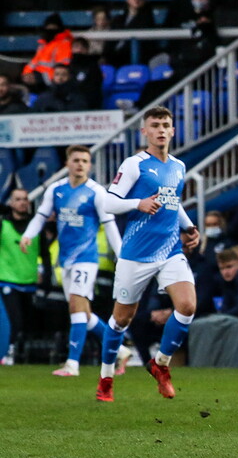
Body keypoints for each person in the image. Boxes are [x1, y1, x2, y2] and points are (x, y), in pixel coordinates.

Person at [96, 106, 200, 402]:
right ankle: (106, 378)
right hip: (136, 254)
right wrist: (137, 203)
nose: (161, 130)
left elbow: (172, 201)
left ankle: (161, 365)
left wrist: (190, 226)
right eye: (155, 125)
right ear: (145, 131)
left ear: (173, 130)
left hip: (169, 250)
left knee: (187, 306)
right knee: (121, 319)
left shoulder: (178, 166)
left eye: (166, 124)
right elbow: (109, 202)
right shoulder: (134, 164)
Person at [19, 145, 124, 376]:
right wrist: (28, 235)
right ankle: (121, 349)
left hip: (86, 259)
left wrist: (121, 255)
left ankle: (72, 364)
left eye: (85, 161)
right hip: (65, 260)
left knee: (76, 307)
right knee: (83, 314)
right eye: (76, 160)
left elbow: (109, 225)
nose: (80, 164)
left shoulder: (97, 192)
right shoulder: (56, 190)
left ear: (90, 165)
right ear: (67, 163)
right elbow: (40, 216)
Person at [0, 189, 52, 365]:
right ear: (11, 203)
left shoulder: (36, 227)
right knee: (14, 320)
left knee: (27, 324)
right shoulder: (3, 225)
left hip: (30, 282)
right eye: (18, 199)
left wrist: (45, 278)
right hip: (7, 281)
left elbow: (45, 255)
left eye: (25, 199)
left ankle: (21, 354)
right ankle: (8, 353)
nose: (22, 202)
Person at [105, 0, 156, 67]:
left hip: (131, 58)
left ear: (144, 1)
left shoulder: (147, 20)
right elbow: (109, 42)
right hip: (113, 57)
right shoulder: (118, 19)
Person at [22, 13, 73, 86]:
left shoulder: (64, 43)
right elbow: (33, 62)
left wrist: (41, 77)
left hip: (50, 81)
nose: (50, 30)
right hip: (37, 76)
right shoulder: (44, 44)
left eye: (54, 27)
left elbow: (62, 69)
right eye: (48, 27)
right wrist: (26, 74)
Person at [68, 38, 104, 110]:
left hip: (89, 104)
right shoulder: (67, 67)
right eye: (76, 46)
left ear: (87, 50)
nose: (79, 50)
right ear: (71, 49)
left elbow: (95, 88)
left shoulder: (93, 66)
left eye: (83, 47)